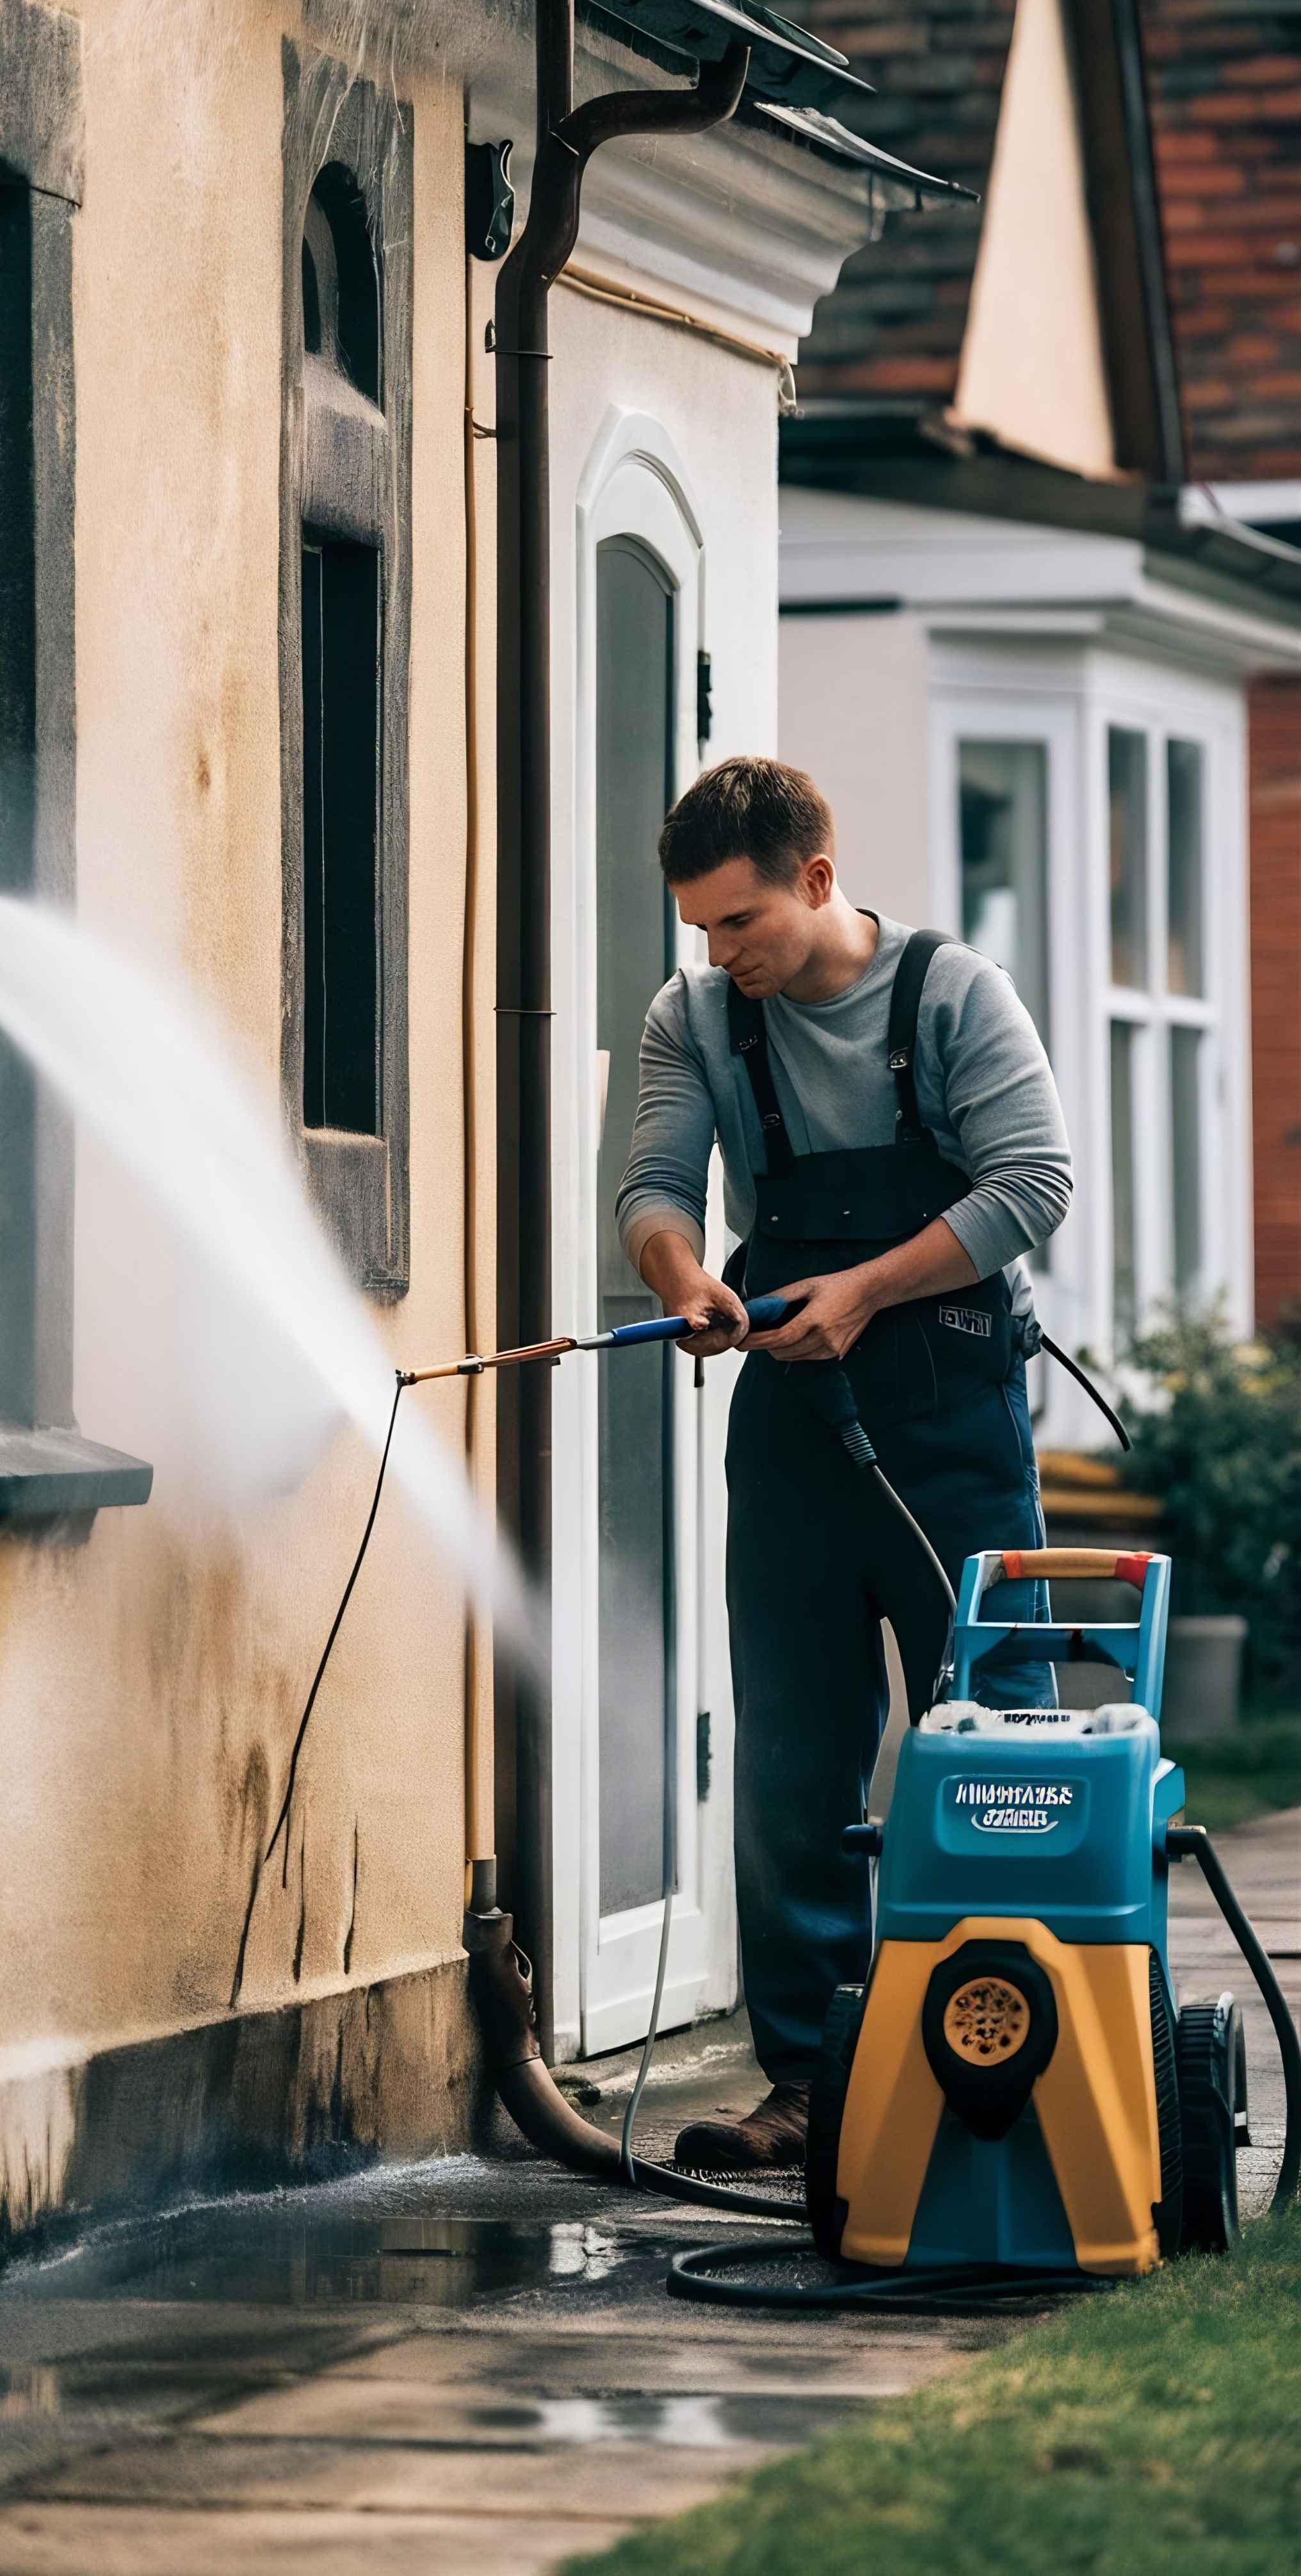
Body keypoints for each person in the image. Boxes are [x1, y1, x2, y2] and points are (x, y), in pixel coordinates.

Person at [616, 756, 1073, 2172]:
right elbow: (654, 1188)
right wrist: (687, 1278)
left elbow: (1035, 1184)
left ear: (816, 880)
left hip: (955, 1421)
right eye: (700, 927)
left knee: (994, 1748)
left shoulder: (951, 996)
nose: (721, 954)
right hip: (795, 1426)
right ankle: (811, 2084)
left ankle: (1018, 2059)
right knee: (792, 1757)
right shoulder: (696, 1016)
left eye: (740, 920)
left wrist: (866, 1291)